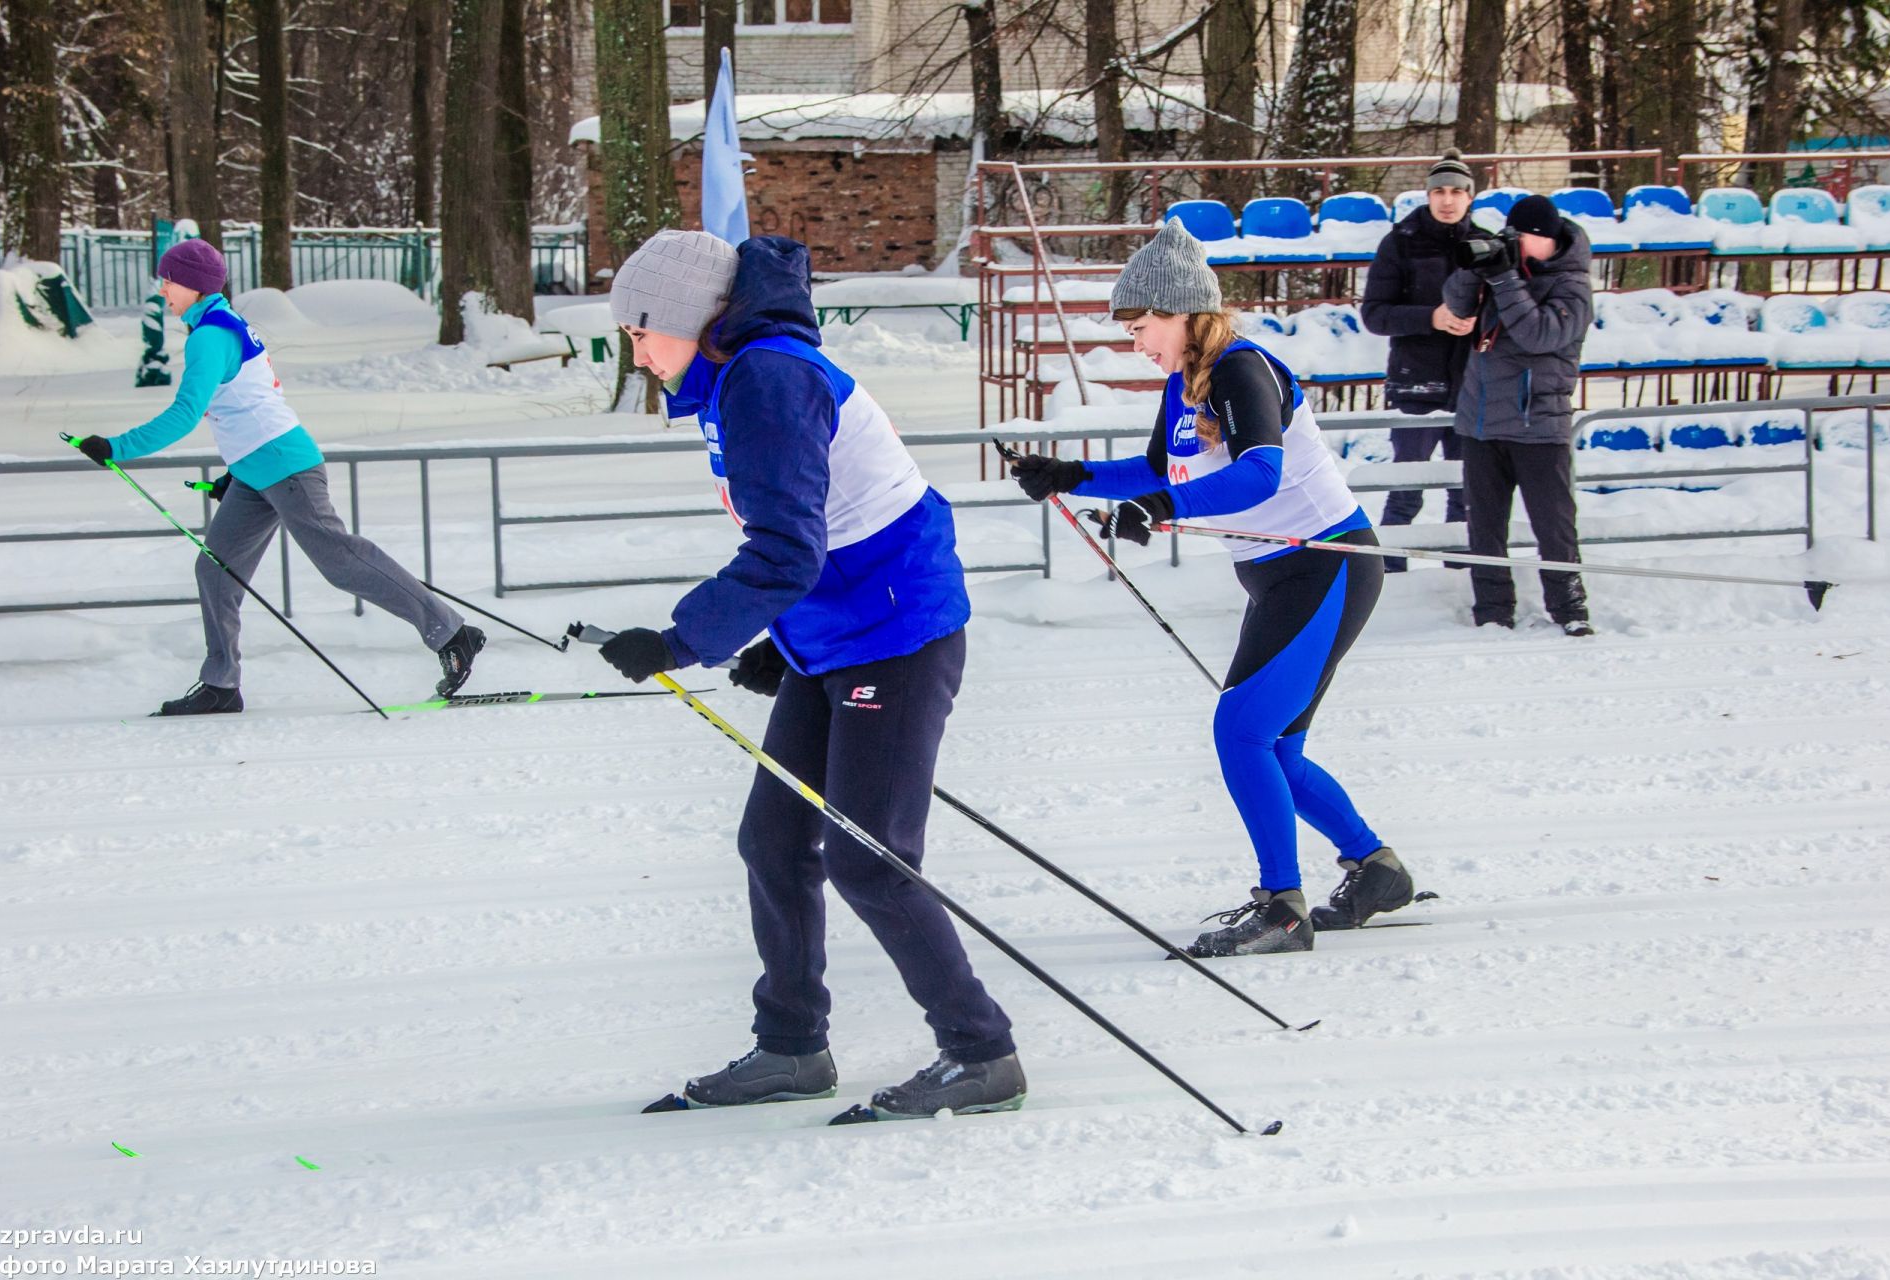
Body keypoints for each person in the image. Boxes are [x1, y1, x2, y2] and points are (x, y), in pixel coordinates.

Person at [595, 229, 1024, 1120]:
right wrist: (779, 641)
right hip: (837, 633)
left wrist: (681, 641)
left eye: (639, 331)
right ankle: (791, 1047)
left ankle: (980, 1051)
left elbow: (788, 548)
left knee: (870, 861)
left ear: (687, 318)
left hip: (896, 636)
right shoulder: (743, 375)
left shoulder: (767, 378)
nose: (633, 350)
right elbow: (817, 527)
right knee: (777, 844)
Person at [1007, 220, 1415, 955]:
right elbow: (1162, 469)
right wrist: (1072, 476)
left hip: (1325, 563)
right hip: (1282, 577)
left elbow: (1262, 470)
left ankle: (1281, 907)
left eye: (1141, 326)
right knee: (1275, 746)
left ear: (1184, 314)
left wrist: (1162, 511)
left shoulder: (1240, 369)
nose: (1134, 341)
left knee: (1242, 731)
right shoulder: (1182, 381)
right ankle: (1375, 867)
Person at [74, 238, 483, 714]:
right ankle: (221, 684)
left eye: (168, 279)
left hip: (286, 464)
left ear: (191, 283)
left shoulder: (211, 335)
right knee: (216, 569)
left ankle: (451, 632)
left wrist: (117, 448)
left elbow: (187, 413)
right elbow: (248, 402)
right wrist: (238, 471)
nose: (163, 288)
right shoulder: (219, 326)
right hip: (258, 471)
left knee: (339, 559)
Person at [1442, 193, 1596, 637]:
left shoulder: (1573, 286)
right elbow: (1456, 305)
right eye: (1516, 235)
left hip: (1539, 423)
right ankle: (1492, 610)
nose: (1521, 244)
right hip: (1481, 422)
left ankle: (1570, 610)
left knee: (1554, 527)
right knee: (1485, 527)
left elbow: (1538, 334)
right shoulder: (1503, 270)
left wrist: (1505, 279)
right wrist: (1477, 269)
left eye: (1529, 238)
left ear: (1550, 242)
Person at [1360, 148, 1482, 571]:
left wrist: (1479, 320)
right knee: (1406, 487)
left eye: (1456, 192)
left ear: (1470, 196)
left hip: (1472, 383)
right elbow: (1374, 314)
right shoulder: (1400, 242)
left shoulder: (1487, 243)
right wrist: (1432, 317)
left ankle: (1457, 577)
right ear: (1427, 196)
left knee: (1466, 492)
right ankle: (1386, 574)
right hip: (1416, 384)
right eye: (1439, 192)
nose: (1447, 200)